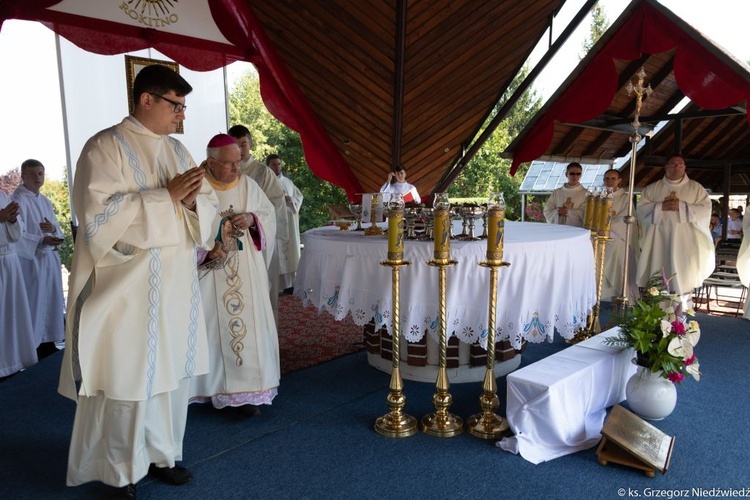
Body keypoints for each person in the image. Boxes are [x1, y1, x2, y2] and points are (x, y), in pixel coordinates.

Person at [57, 64, 218, 498]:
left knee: (170, 377)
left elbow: (206, 208)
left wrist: (189, 205)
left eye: (184, 107)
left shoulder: (179, 152)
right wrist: (164, 197)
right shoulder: (104, 148)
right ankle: (119, 472)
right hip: (128, 289)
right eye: (175, 105)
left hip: (176, 286)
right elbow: (97, 221)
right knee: (130, 379)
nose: (181, 115)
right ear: (146, 99)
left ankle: (162, 455)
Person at [190, 134, 280, 416]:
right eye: (229, 164)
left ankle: (251, 392)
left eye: (238, 162)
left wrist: (253, 219)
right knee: (212, 327)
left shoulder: (249, 185)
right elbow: (186, 226)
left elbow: (268, 215)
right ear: (210, 162)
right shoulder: (198, 189)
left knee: (249, 326)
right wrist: (211, 244)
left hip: (246, 268)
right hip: (212, 270)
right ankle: (211, 390)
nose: (235, 169)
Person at [636, 154, 714, 306]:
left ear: (685, 167)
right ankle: (656, 307)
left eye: (680, 164)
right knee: (659, 270)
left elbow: (705, 209)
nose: (676, 167)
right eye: (672, 164)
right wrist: (660, 207)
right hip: (659, 241)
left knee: (682, 275)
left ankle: (681, 310)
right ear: (666, 167)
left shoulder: (696, 188)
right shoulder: (652, 189)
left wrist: (682, 206)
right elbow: (641, 209)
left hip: (685, 241)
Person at [228, 124, 288, 320]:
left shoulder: (262, 172)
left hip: (260, 240)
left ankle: (268, 340)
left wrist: (253, 219)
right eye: (235, 145)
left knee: (263, 291)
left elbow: (276, 205)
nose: (240, 150)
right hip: (232, 242)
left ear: (251, 144)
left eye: (243, 144)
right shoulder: (223, 171)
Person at [12, 159, 65, 359]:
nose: (37, 178)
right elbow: (16, 233)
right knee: (34, 302)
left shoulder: (45, 201)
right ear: (23, 176)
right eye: (32, 174)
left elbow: (55, 227)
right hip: (31, 261)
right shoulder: (16, 200)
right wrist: (41, 239)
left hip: (48, 258)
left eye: (41, 173)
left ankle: (49, 340)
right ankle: (33, 345)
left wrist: (53, 231)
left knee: (52, 299)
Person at [0, 191, 37, 381]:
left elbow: (17, 233)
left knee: (11, 314)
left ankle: (11, 361)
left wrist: (13, 221)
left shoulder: (2, 195)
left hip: (9, 261)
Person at [599, 169, 639, 303]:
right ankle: (602, 295)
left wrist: (607, 227)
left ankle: (618, 293)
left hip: (618, 237)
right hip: (600, 237)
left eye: (613, 178)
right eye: (607, 178)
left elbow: (626, 218)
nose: (609, 181)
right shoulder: (599, 197)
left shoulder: (625, 198)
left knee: (617, 255)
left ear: (619, 180)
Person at [267, 154, 303, 293]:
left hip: (288, 220)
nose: (277, 167)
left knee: (290, 252)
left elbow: (299, 196)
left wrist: (292, 200)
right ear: (268, 166)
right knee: (276, 253)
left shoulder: (288, 182)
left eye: (279, 164)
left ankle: (290, 285)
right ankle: (276, 285)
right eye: (274, 164)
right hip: (275, 221)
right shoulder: (266, 182)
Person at [543, 162, 587, 227]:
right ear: (566, 174)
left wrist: (567, 212)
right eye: (572, 173)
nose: (575, 176)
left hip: (576, 229)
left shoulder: (586, 194)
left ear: (581, 175)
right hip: (558, 229)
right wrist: (557, 212)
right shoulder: (557, 192)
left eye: (578, 174)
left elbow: (586, 213)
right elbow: (547, 210)